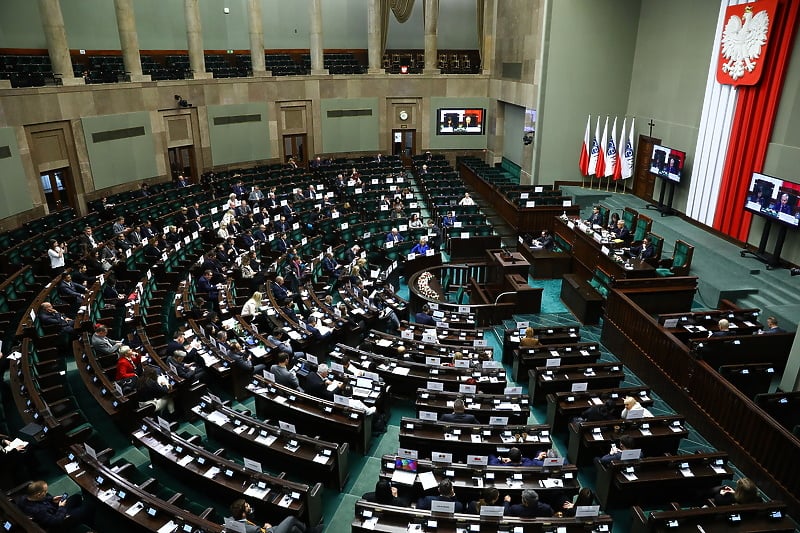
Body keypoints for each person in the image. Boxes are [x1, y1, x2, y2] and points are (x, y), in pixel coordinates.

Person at [16, 480, 94, 530]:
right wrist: (61, 507)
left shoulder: (24, 498)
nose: (46, 493)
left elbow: (40, 500)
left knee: (76, 497)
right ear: (38, 494)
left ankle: (79, 516)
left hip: (54, 510)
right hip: (60, 521)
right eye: (45, 492)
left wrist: (52, 499)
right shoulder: (39, 511)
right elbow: (56, 522)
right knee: (88, 507)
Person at [228, 498, 322, 533]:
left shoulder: (233, 519)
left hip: (264, 530)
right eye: (246, 506)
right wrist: (268, 528)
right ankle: (311, 530)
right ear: (243, 513)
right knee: (291, 519)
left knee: (293, 529)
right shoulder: (252, 530)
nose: (249, 506)